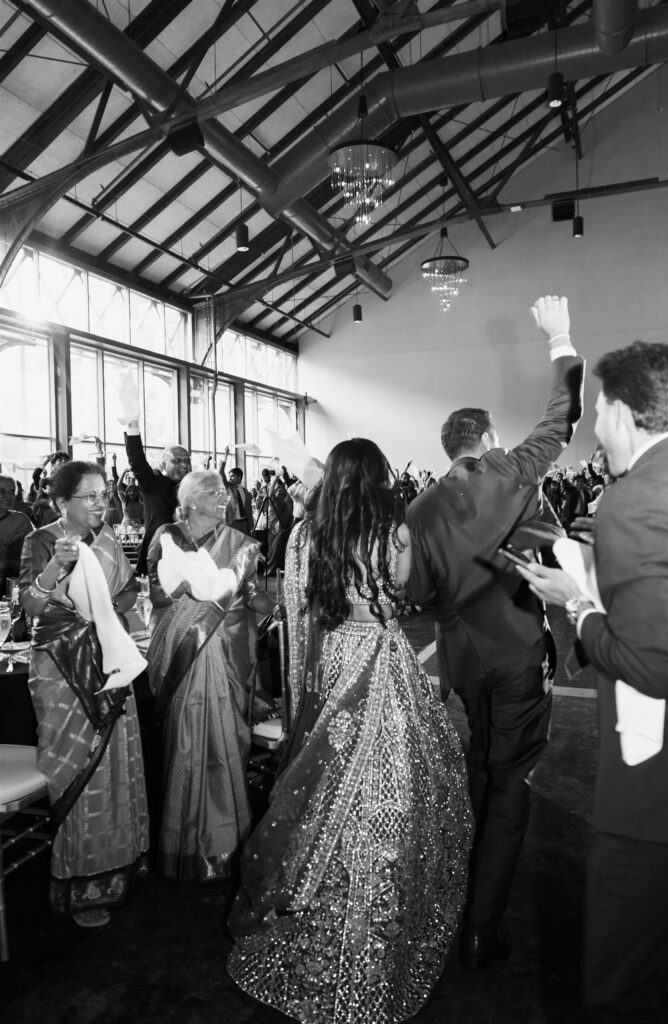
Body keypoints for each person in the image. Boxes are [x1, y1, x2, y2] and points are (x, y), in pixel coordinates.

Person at [227, 438, 473, 1024]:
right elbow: (404, 598)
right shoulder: (395, 532)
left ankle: (314, 893)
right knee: (397, 780)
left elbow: (300, 605)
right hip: (383, 658)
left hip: (333, 659)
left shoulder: (309, 535)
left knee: (323, 777)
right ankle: (378, 902)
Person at [406, 295, 584, 969]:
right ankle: (482, 922)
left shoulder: (419, 509)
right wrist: (559, 338)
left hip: (461, 658)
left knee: (483, 762)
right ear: (482, 439)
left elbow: (417, 595)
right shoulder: (507, 469)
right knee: (510, 780)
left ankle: (467, 878)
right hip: (515, 650)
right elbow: (562, 419)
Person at [516, 341, 668, 1024]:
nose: (594, 431)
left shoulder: (633, 502)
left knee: (621, 977)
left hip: (658, 773)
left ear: (617, 409)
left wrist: (577, 603)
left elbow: (653, 664)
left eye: (598, 415)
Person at [19, 461, 149, 927]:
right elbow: (29, 607)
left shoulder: (110, 537)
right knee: (78, 766)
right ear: (61, 502)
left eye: (103, 494)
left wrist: (108, 608)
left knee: (115, 761)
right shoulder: (42, 541)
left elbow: (130, 592)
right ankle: (80, 883)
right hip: (62, 664)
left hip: (109, 656)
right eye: (89, 496)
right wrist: (58, 564)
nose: (101, 503)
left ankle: (119, 868)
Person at [146, 470, 274, 881]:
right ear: (188, 498)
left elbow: (251, 593)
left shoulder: (239, 543)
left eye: (223, 491)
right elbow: (155, 590)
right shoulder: (167, 534)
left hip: (229, 652)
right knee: (186, 739)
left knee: (225, 743)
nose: (222, 497)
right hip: (184, 648)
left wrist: (269, 603)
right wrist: (191, 584)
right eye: (211, 491)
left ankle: (226, 843)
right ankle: (180, 844)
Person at [123, 417, 191, 573]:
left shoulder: (192, 487)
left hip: (186, 551)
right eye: (177, 461)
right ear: (164, 465)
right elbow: (137, 459)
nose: (184, 465)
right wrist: (133, 427)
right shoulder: (153, 483)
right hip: (158, 549)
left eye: (187, 461)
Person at [0, 475, 33, 593]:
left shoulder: (20, 520)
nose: (7, 496)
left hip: (8, 588)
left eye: (11, 492)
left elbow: (30, 557)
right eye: (1, 491)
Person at [218, 448, 254, 534]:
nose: (229, 478)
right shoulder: (228, 488)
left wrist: (252, 527)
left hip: (244, 525)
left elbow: (249, 512)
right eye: (229, 476)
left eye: (232, 476)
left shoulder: (247, 493)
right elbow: (220, 473)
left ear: (239, 477)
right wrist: (226, 455)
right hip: (231, 525)